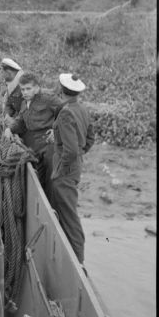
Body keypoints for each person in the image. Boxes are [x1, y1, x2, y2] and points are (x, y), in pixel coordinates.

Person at [51, 74, 94, 267]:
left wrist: (59, 171)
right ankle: (75, 257)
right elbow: (90, 139)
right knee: (68, 211)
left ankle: (78, 262)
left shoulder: (66, 113)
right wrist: (80, 154)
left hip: (66, 170)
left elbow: (70, 150)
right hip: (74, 167)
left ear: (61, 90)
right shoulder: (82, 109)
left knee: (69, 214)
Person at [6, 72, 63, 194]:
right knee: (36, 176)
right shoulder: (24, 103)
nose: (25, 92)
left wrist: (56, 129)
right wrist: (9, 129)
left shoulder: (48, 99)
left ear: (37, 88)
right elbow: (20, 122)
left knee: (51, 177)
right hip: (33, 144)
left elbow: (66, 112)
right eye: (22, 89)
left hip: (48, 144)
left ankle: (52, 205)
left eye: (28, 89)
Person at [0, 58, 24, 122]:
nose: (2, 75)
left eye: (2, 72)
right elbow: (8, 104)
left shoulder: (23, 85)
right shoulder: (11, 83)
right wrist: (7, 115)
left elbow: (27, 110)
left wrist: (14, 122)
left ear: (8, 72)